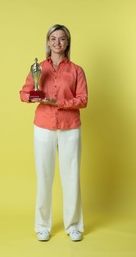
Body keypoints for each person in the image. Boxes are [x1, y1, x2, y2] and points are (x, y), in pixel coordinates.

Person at [19, 24, 88, 241]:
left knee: (71, 176)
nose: (57, 43)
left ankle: (74, 225)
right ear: (48, 42)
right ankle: (42, 226)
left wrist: (57, 102)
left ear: (67, 43)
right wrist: (34, 97)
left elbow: (83, 99)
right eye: (53, 38)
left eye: (62, 39)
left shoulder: (77, 70)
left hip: (70, 127)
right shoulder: (38, 68)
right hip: (43, 126)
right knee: (44, 176)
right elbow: (24, 92)